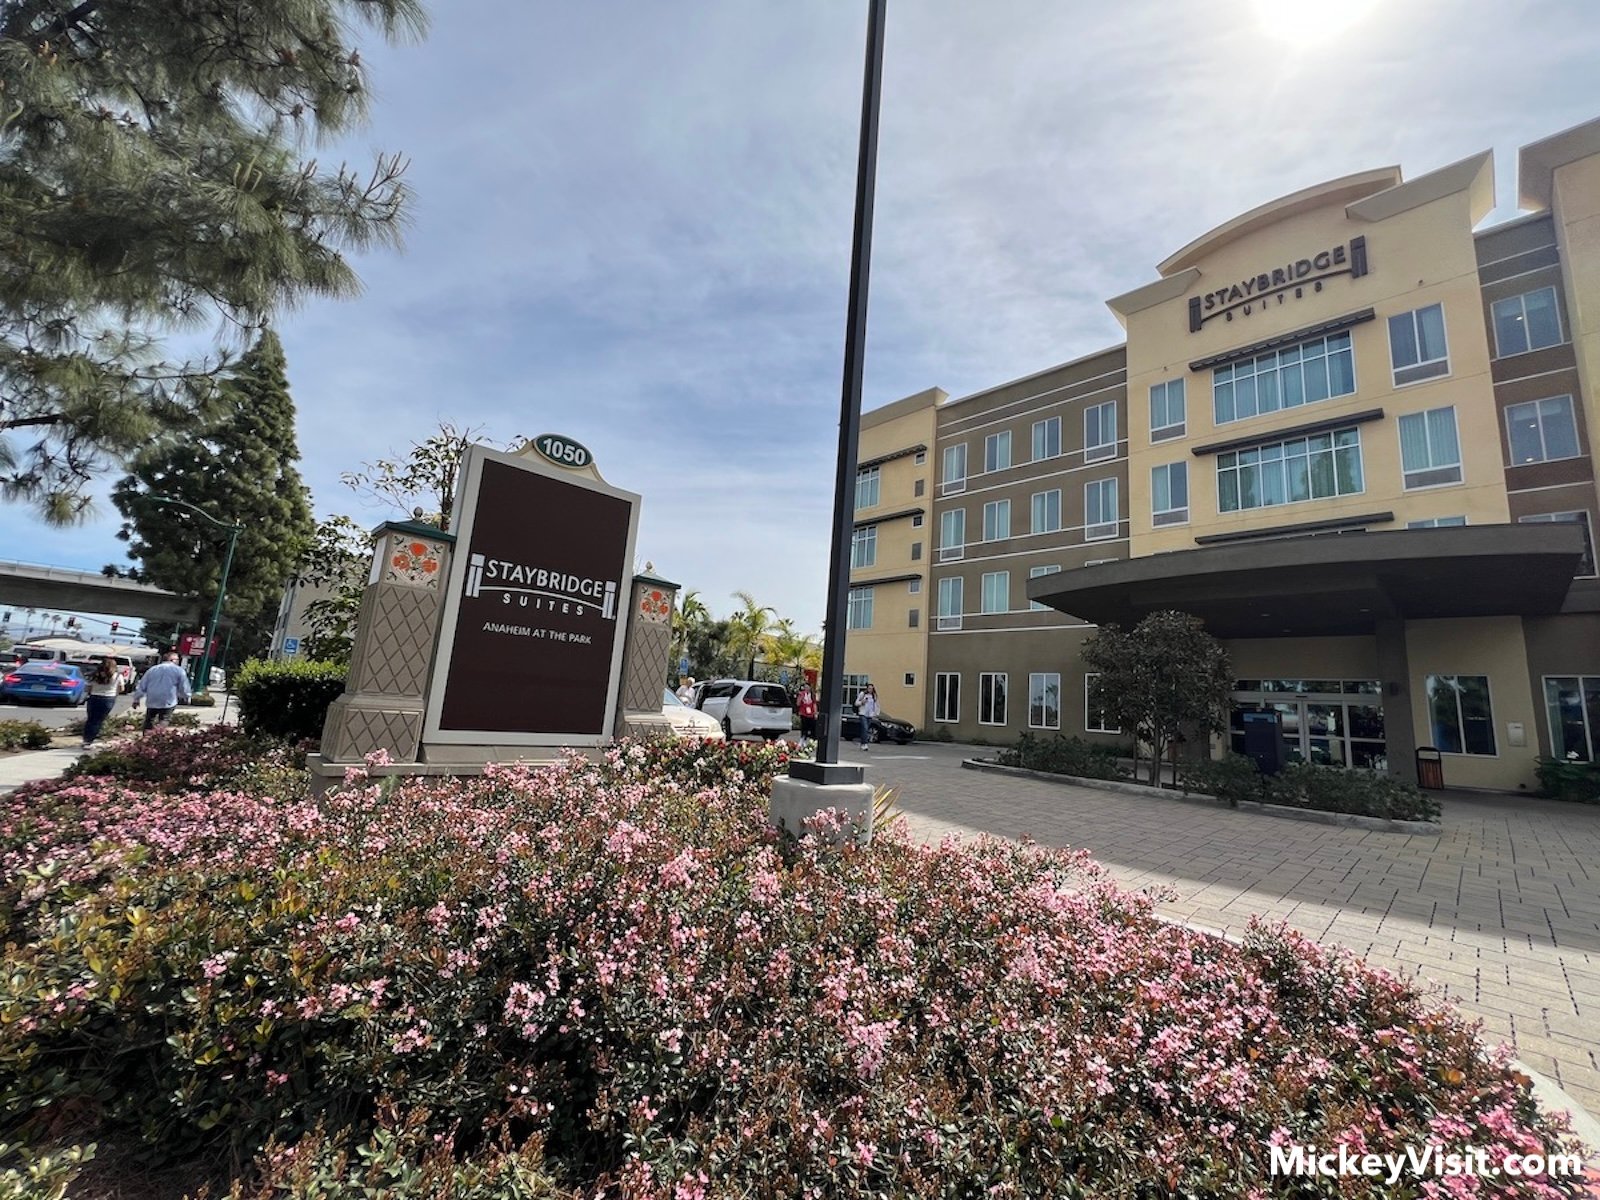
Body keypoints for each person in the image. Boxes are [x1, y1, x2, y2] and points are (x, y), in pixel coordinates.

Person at [132, 650, 191, 731]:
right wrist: (186, 696)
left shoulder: (152, 669)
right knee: (165, 718)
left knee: (149, 719)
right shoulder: (179, 670)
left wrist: (136, 699)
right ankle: (158, 732)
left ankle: (147, 735)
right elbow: (183, 686)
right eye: (177, 660)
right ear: (172, 660)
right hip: (168, 698)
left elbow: (142, 685)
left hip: (152, 698)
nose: (178, 662)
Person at [81, 656, 120, 748]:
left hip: (94, 697)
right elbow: (121, 688)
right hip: (108, 698)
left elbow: (87, 688)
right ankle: (90, 740)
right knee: (98, 720)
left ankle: (86, 739)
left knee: (91, 719)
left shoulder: (94, 675)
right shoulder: (117, 676)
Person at [855, 683, 880, 750]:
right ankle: (865, 744)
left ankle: (862, 743)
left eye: (872, 689)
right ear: (867, 688)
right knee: (865, 728)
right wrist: (862, 702)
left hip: (870, 715)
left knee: (865, 730)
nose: (870, 690)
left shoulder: (874, 696)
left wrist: (876, 713)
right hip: (863, 714)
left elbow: (877, 705)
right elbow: (856, 703)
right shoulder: (862, 694)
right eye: (869, 688)